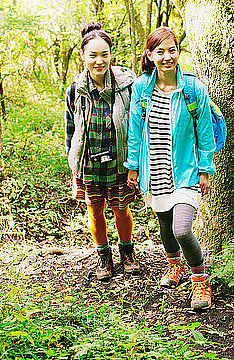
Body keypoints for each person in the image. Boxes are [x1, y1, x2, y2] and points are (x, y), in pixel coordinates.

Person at [125, 26, 216, 310]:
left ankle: (200, 279)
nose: (167, 57)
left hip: (187, 171)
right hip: (154, 169)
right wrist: (133, 166)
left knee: (181, 229)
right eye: (160, 51)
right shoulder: (142, 87)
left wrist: (205, 169)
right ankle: (174, 265)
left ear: (178, 52)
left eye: (172, 50)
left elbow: (205, 133)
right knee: (165, 226)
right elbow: (135, 130)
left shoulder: (193, 90)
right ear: (150, 55)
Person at [65, 22, 139, 281]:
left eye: (104, 54)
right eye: (93, 55)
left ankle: (127, 253)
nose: (99, 61)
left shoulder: (127, 84)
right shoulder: (76, 89)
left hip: (120, 160)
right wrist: (73, 163)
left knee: (121, 209)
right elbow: (70, 128)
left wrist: (135, 162)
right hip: (88, 161)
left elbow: (138, 123)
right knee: (94, 211)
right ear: (83, 55)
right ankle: (103, 256)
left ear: (111, 54)